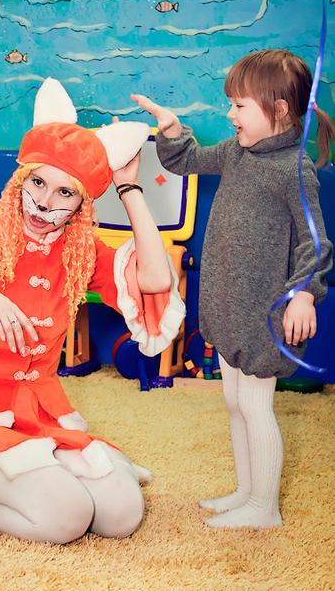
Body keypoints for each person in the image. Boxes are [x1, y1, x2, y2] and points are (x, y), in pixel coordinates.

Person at [0, 77, 185, 543]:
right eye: (38, 183)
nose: (44, 203)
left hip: (44, 413)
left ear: (82, 204)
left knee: (122, 515)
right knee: (65, 519)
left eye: (65, 193)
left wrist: (129, 189)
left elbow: (155, 281)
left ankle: (40, 473)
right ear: (21, 178)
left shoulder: (81, 250)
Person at [131, 48, 334, 529]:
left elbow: (316, 243)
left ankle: (265, 509)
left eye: (239, 105)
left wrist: (304, 293)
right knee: (234, 401)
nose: (230, 113)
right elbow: (187, 160)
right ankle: (247, 492)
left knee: (256, 406)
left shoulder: (295, 170)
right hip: (228, 302)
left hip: (264, 314)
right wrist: (172, 129)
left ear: (278, 110)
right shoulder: (236, 152)